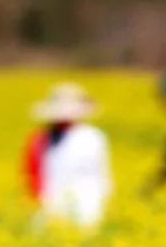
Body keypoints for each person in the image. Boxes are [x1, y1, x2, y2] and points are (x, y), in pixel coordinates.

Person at [23, 84, 112, 229]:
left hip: (87, 199)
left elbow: (101, 171)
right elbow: (33, 171)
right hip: (51, 199)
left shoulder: (93, 136)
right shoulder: (41, 138)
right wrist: (36, 200)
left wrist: (104, 195)